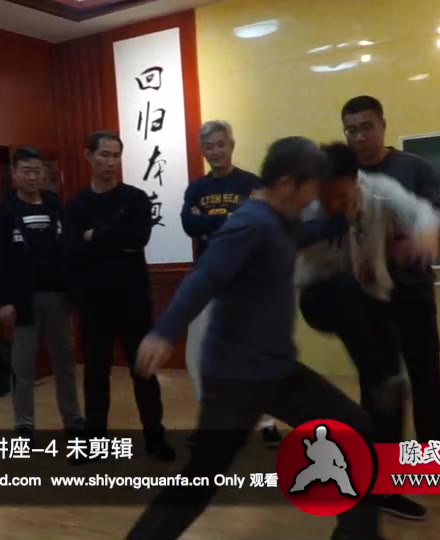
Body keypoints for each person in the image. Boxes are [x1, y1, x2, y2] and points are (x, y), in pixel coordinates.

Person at [127, 136, 384, 540]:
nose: (314, 200)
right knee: (200, 480)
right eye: (311, 190)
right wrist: (165, 332)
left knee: (356, 428)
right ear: (286, 184)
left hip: (277, 371)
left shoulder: (280, 222)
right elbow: (205, 277)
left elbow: (304, 234)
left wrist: (341, 221)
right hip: (235, 379)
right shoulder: (249, 224)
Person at [297, 142, 440, 522]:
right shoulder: (310, 203)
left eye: (341, 197)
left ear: (356, 181)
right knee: (347, 293)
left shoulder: (378, 190)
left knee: (392, 386)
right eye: (326, 197)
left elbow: (420, 211)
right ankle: (379, 379)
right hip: (320, 297)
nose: (333, 204)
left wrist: (426, 234)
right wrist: (331, 222)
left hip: (370, 299)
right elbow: (286, 235)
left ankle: (383, 486)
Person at [341, 95, 440, 447]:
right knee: (375, 381)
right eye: (351, 130)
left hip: (413, 290)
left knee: (425, 377)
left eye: (367, 127)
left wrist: (404, 239)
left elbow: (436, 221)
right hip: (366, 297)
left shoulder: (414, 169)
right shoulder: (343, 178)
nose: (360, 137)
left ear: (383, 125)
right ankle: (379, 457)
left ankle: (435, 455)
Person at [63, 131, 174, 461]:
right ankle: (94, 442)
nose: (111, 162)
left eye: (116, 155)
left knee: (143, 371)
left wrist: (94, 236)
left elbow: (138, 238)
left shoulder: (135, 199)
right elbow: (71, 249)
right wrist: (112, 240)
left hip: (133, 298)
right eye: (104, 154)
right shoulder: (77, 205)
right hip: (93, 302)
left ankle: (155, 438)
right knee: (96, 374)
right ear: (88, 156)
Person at [180, 120, 280, 448]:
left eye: (221, 144)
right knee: (198, 352)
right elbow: (190, 225)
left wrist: (211, 222)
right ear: (203, 151)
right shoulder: (196, 188)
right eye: (209, 146)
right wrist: (231, 219)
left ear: (232, 145)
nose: (216, 151)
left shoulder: (252, 184)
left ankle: (267, 421)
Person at [0, 146, 85, 442]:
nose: (32, 177)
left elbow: (71, 250)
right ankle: (24, 423)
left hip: (58, 296)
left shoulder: (57, 206)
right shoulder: (3, 214)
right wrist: (4, 301)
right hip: (22, 300)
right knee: (23, 365)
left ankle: (73, 418)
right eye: (26, 171)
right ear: (14, 174)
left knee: (65, 362)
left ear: (44, 174)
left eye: (37, 171)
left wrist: (74, 290)